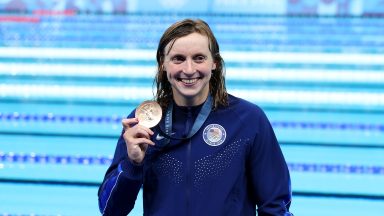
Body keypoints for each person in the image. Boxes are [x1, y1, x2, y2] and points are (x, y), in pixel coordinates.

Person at [98, 18, 293, 216]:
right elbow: (110, 210)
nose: (189, 70)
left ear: (214, 63)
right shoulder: (143, 124)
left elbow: (275, 207)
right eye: (178, 59)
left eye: (199, 58)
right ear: (163, 64)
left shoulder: (248, 120)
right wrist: (133, 164)